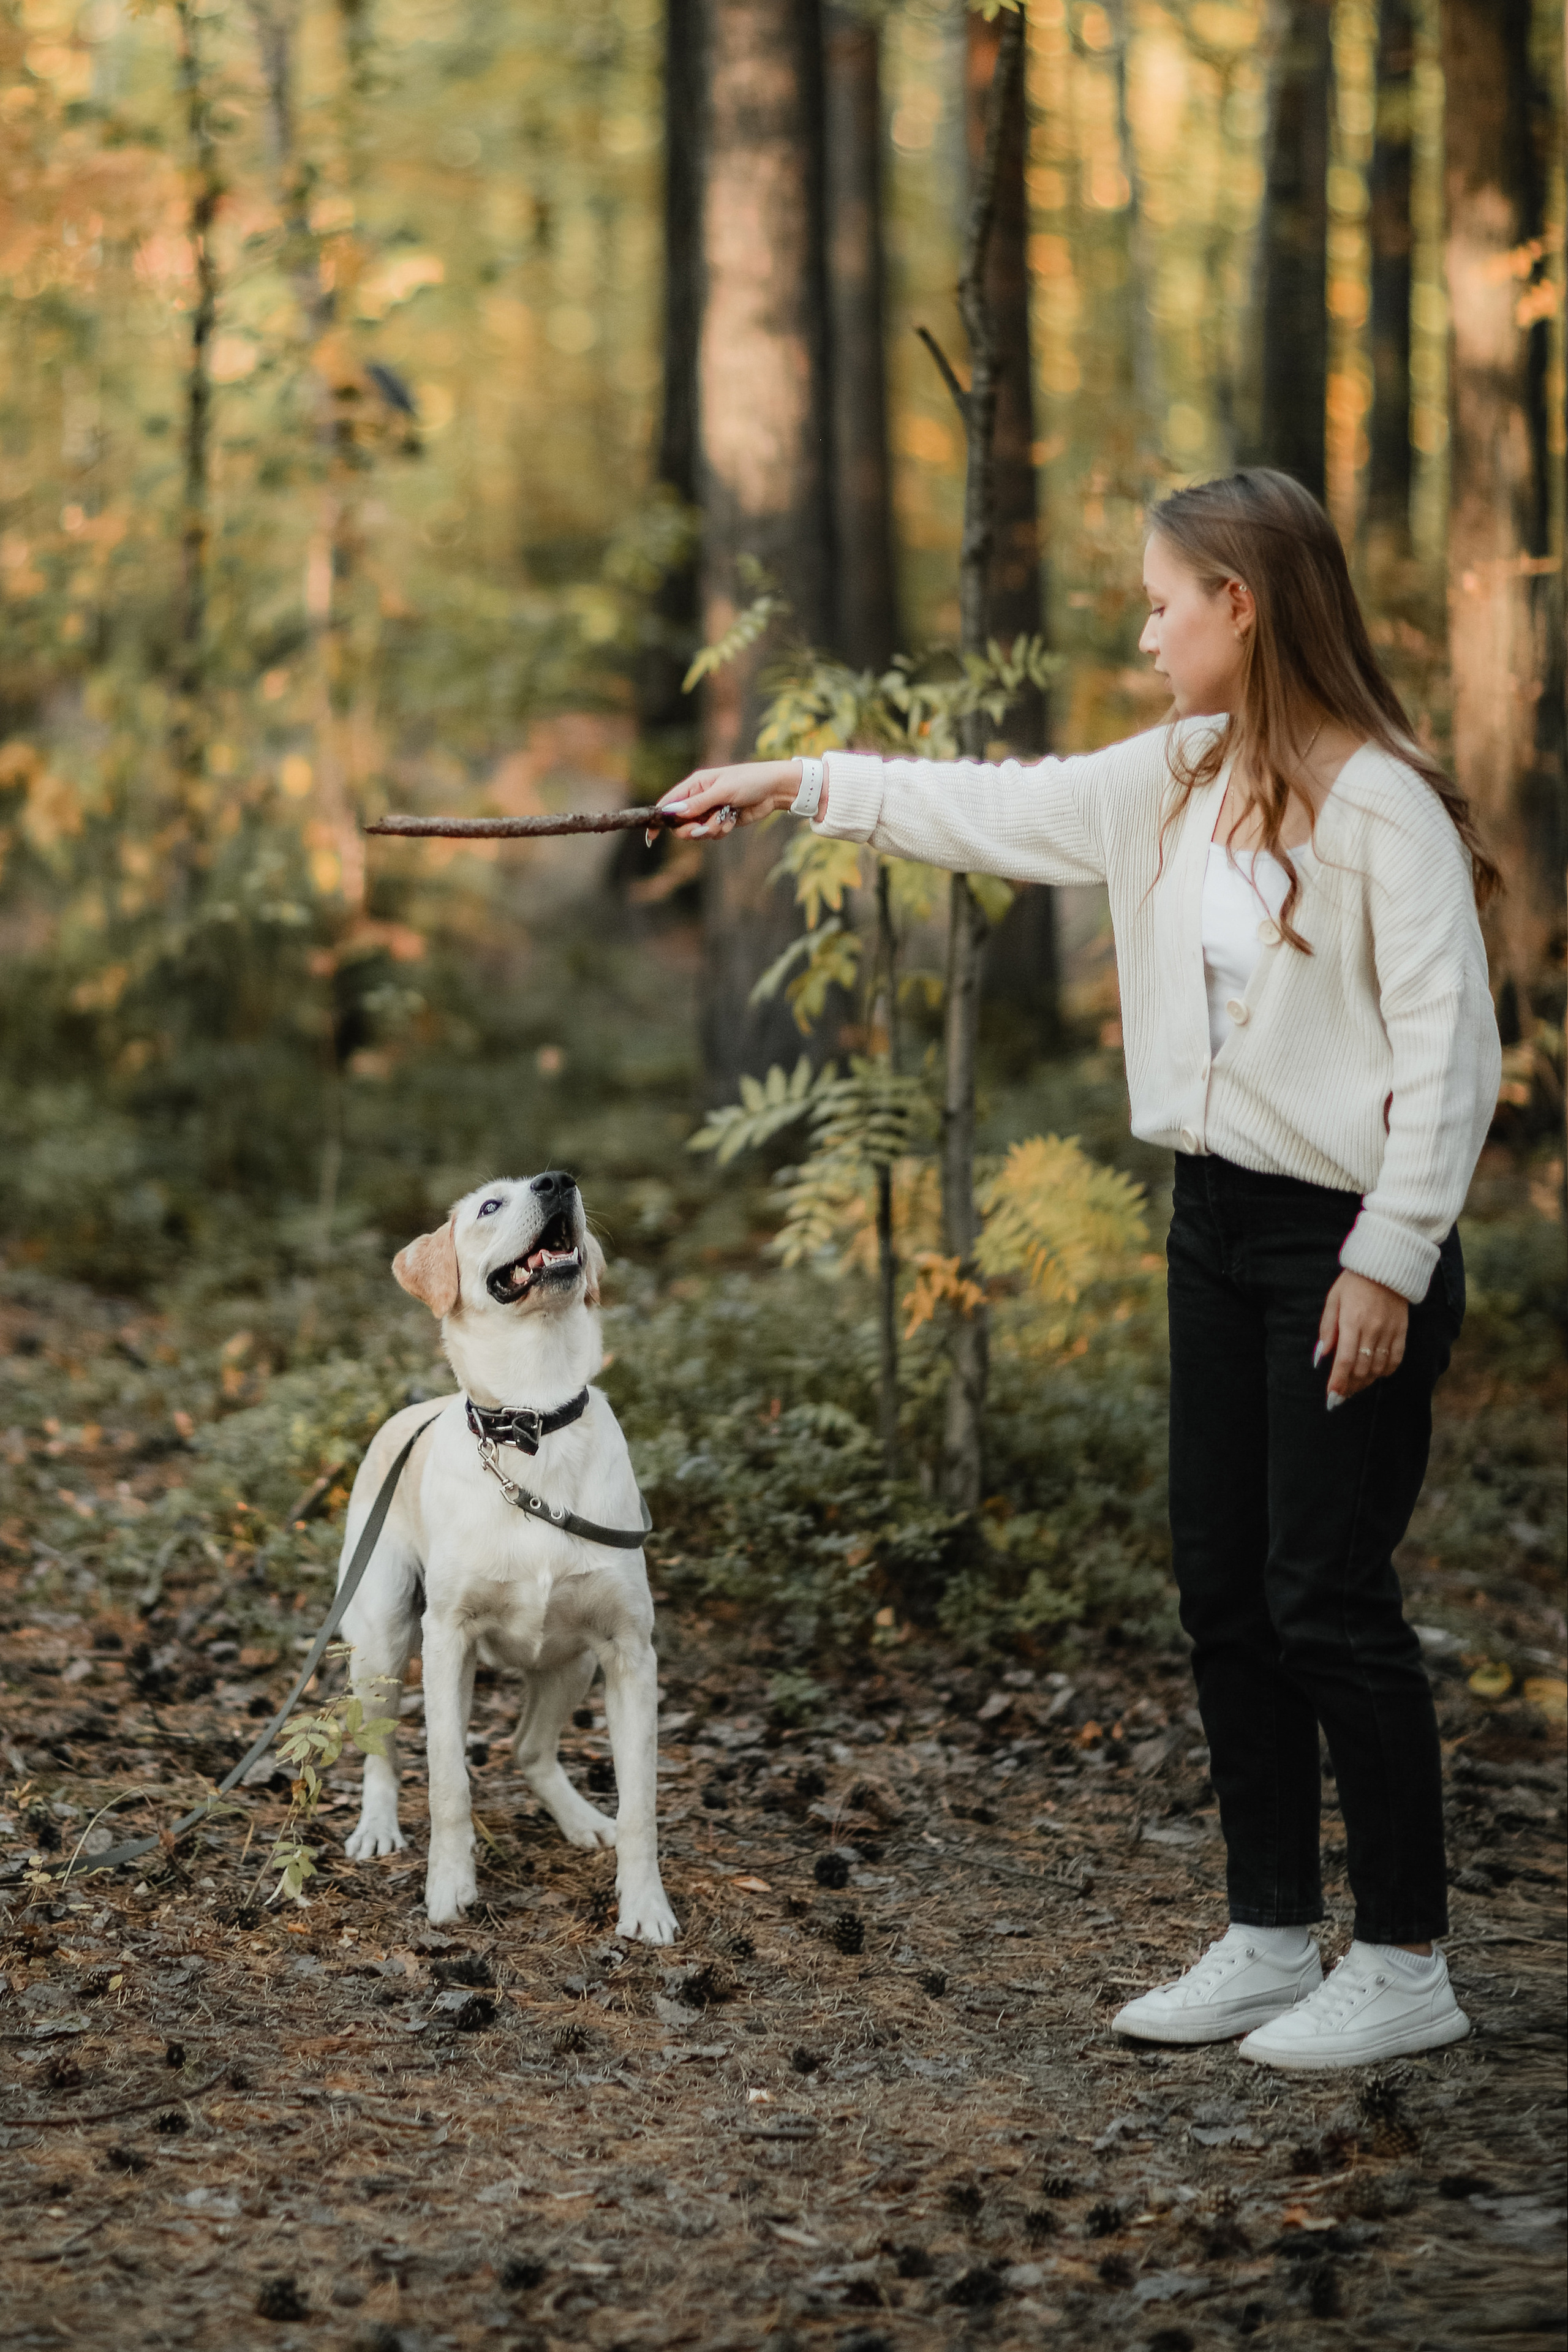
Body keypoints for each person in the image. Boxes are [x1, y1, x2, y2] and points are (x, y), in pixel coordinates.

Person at [657, 468, 1502, 2071]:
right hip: (1212, 1226)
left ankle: (1404, 1960)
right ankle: (1268, 1936)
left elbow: (1455, 1057)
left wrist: (1390, 1261)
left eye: (1164, 600)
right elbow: (993, 807)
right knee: (1221, 1594)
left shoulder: (1381, 800)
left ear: (1238, 608)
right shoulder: (1175, 778)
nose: (1143, 628)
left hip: (1345, 1241)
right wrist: (787, 783)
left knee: (1326, 1600)